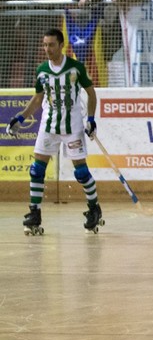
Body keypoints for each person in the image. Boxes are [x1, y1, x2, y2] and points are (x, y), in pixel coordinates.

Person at [5, 28, 103, 235]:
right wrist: (20, 117)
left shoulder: (76, 68)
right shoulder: (41, 70)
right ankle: (35, 212)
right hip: (48, 126)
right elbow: (38, 98)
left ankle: (94, 209)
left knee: (81, 172)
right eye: (44, 45)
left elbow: (91, 94)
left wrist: (91, 119)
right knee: (37, 169)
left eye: (51, 45)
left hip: (73, 126)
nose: (47, 49)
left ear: (61, 45)